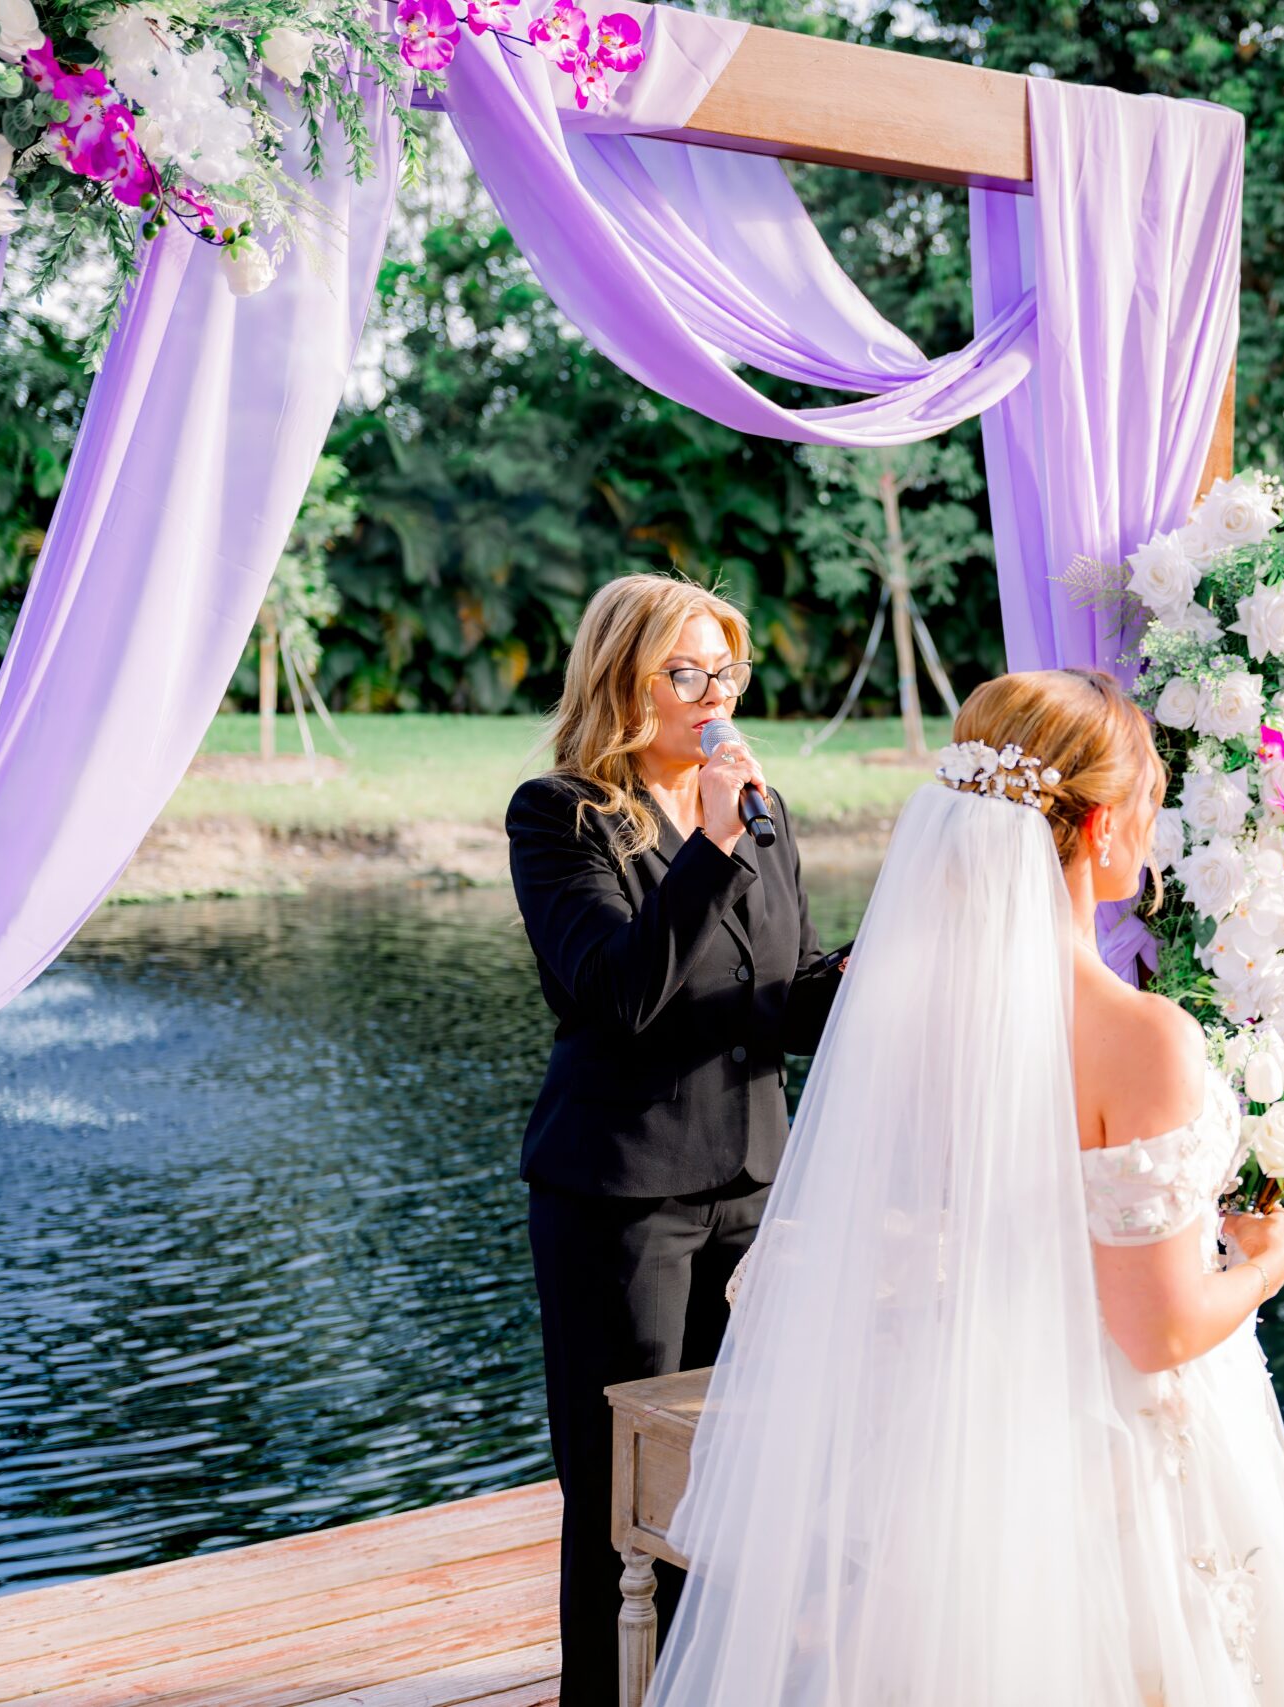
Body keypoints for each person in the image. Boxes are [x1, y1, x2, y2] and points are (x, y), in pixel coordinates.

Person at [647, 669, 1284, 1706]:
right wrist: (1261, 1268)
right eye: (1152, 806)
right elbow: (1154, 1330)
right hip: (1111, 1464)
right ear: (1105, 823)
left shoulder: (894, 1012)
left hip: (952, 1444)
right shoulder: (1139, 1037)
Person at [506, 574, 844, 1707]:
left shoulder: (762, 807)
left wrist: (872, 973)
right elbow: (618, 994)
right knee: (620, 1494)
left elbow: (779, 995)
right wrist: (704, 844)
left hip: (753, 1190)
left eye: (725, 672)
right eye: (685, 672)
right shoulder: (559, 814)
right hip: (621, 1202)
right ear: (622, 678)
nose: (712, 697)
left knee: (733, 1479)